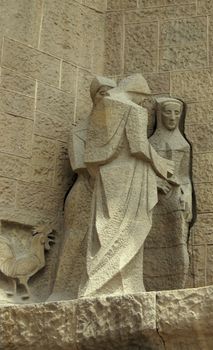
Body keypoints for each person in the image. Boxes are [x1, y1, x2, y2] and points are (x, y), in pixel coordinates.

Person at [78, 74, 173, 297]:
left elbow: (91, 154)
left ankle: (96, 283)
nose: (144, 106)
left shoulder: (103, 106)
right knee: (129, 227)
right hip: (130, 174)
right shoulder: (133, 109)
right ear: (141, 94)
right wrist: (160, 163)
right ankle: (121, 286)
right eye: (144, 101)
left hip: (106, 176)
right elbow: (139, 145)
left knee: (105, 229)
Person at [48, 76, 116, 301]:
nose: (106, 98)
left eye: (111, 94)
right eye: (102, 93)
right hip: (85, 192)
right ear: (94, 97)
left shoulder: (115, 132)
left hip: (108, 193)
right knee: (74, 241)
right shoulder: (79, 132)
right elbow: (82, 166)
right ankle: (59, 291)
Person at [148, 97, 193, 289]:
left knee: (178, 241)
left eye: (177, 112)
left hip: (176, 198)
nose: (173, 117)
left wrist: (188, 195)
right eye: (167, 112)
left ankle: (177, 283)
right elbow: (141, 171)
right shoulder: (150, 143)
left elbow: (184, 176)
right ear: (159, 114)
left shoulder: (183, 145)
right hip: (154, 200)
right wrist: (154, 183)